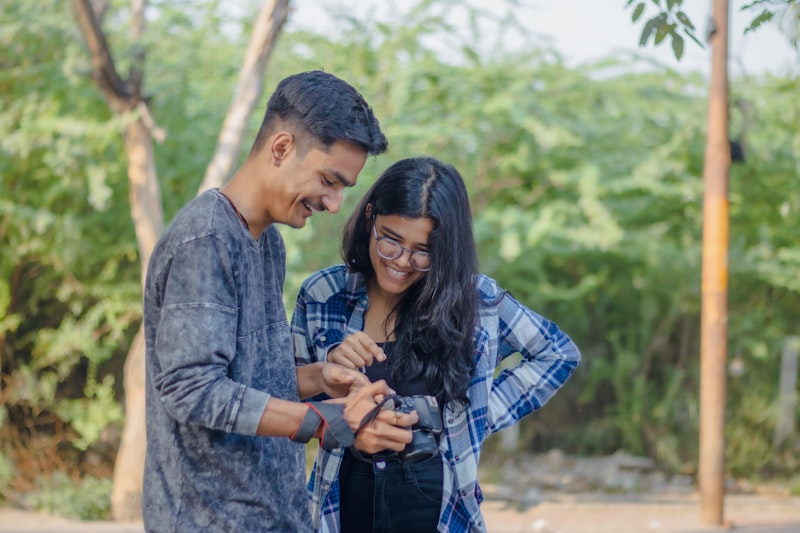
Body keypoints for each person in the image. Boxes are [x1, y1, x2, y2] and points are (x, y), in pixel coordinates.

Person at [143, 71, 418, 533]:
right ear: (281, 148)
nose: (334, 204)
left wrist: (316, 379)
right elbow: (190, 389)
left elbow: (241, 379)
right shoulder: (205, 239)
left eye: (343, 189)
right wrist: (321, 421)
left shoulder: (268, 241)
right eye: (329, 181)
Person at [291, 157, 582, 533]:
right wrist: (325, 374)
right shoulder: (322, 295)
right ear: (369, 218)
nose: (402, 262)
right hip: (340, 501)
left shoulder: (476, 301)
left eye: (423, 250)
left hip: (438, 507)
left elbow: (557, 353)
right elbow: (288, 402)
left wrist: (476, 414)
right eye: (390, 240)